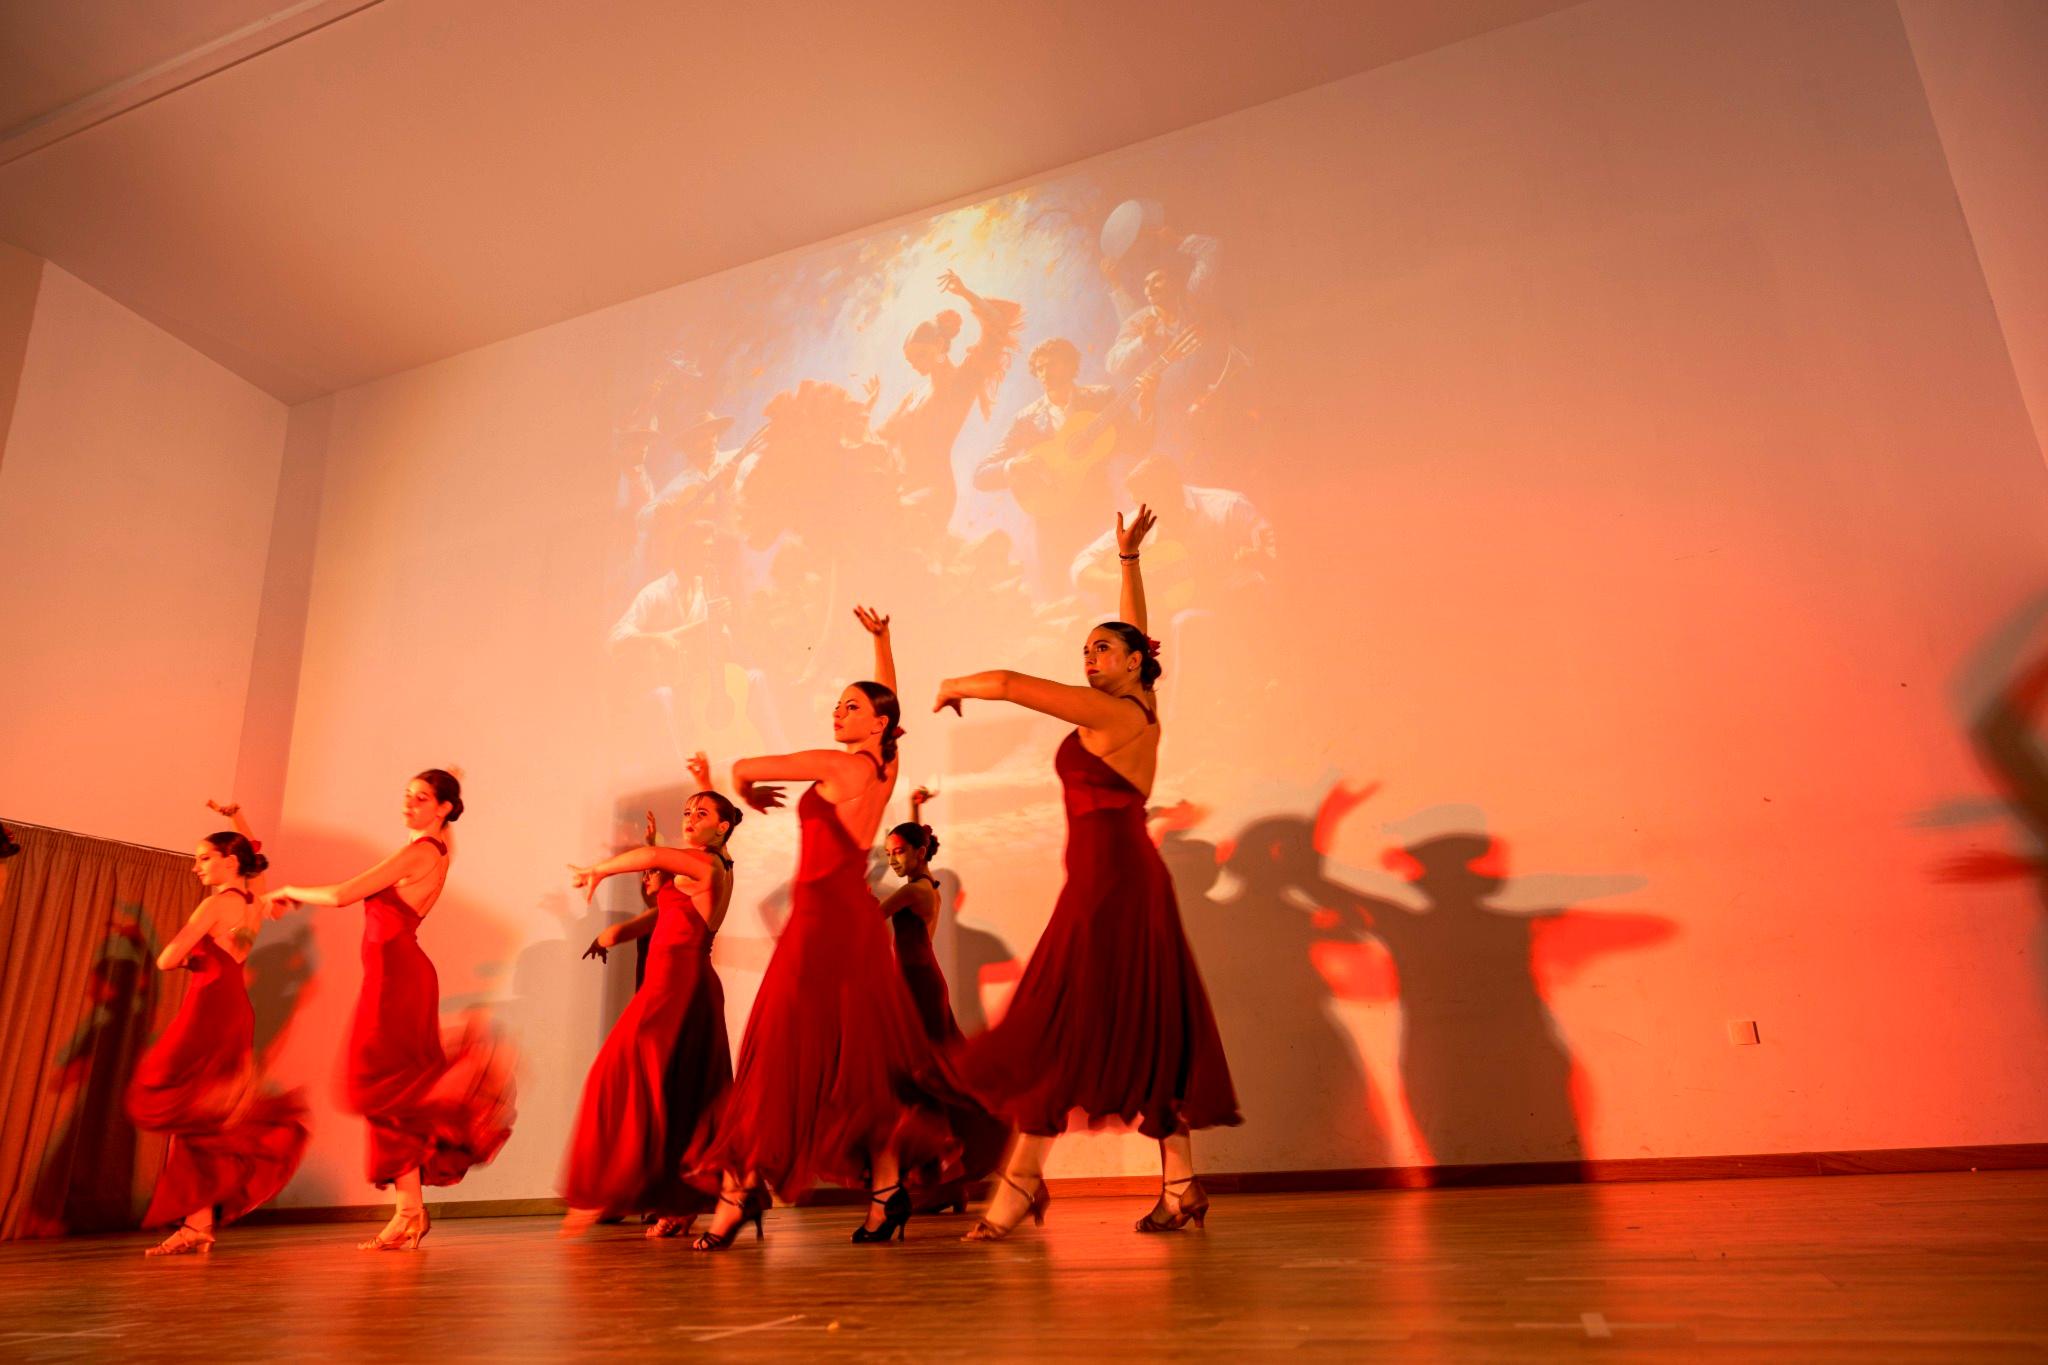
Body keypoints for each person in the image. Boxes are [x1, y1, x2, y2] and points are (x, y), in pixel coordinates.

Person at [933, 507, 1240, 1239]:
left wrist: (954, 682)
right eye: (1085, 650)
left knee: (1064, 1023)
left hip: (1111, 885)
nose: (1090, 658)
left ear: (1133, 663)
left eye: (1102, 649)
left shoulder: (1112, 715)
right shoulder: (1139, 702)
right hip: (1119, 879)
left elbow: (1009, 682)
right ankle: (1180, 1183)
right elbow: (1140, 634)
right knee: (1140, 1024)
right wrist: (1129, 562)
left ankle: (1019, 1181)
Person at [691, 606, 954, 1249]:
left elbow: (746, 765)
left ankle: (737, 1193)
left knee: (782, 1056)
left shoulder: (843, 768)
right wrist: (883, 643)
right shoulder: (885, 767)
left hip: (822, 923)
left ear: (877, 722)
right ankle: (886, 1194)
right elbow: (892, 706)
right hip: (848, 921)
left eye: (851, 707)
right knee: (857, 1063)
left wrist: (746, 792)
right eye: (838, 705)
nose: (838, 713)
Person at [262, 769, 515, 1250]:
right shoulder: (433, 848)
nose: (408, 804)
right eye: (407, 795)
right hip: (395, 976)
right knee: (391, 1096)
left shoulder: (421, 852)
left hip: (397, 979)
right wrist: (450, 787)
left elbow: (342, 895)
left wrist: (289, 890)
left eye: (421, 798)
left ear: (443, 808)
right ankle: (408, 1212)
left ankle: (409, 1212)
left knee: (382, 1087)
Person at [558, 782, 744, 1239]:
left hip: (678, 986)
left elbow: (654, 857)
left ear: (722, 827)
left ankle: (607, 1189)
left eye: (701, 813)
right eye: (687, 811)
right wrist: (615, 933)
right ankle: (680, 1202)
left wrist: (598, 870)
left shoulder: (706, 864)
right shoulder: (705, 865)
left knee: (620, 1074)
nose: (690, 818)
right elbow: (667, 914)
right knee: (680, 1095)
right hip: (677, 983)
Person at [125, 800, 309, 1256]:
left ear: (230, 861)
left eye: (204, 858)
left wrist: (190, 957)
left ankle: (196, 1220)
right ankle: (198, 1221)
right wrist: (236, 816)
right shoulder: (255, 900)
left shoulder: (214, 905)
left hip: (208, 1006)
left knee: (172, 1098)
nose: (196, 867)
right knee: (202, 1116)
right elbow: (255, 854)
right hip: (235, 1008)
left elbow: (166, 959)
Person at [878, 787, 1008, 1214]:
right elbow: (918, 850)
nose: (892, 860)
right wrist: (915, 811)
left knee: (929, 1079)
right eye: (888, 854)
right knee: (928, 1081)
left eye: (898, 852)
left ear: (919, 853)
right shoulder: (924, 882)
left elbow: (870, 916)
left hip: (918, 986)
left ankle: (959, 1171)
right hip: (915, 983)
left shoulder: (915, 892)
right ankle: (948, 1180)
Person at [876, 271, 1022, 533]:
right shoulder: (913, 396)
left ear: (940, 344)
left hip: (932, 491)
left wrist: (965, 293)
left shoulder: (961, 381)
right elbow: (882, 437)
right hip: (902, 489)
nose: (916, 365)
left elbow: (998, 325)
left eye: (922, 355)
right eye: (911, 360)